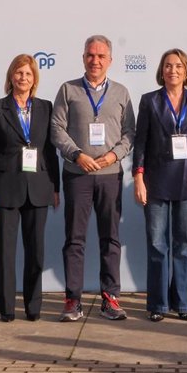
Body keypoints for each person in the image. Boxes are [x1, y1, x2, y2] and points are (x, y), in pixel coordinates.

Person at [51, 34, 135, 322]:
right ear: (83, 57)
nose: (95, 60)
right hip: (78, 175)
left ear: (110, 60)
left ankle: (111, 299)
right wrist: (77, 155)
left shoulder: (122, 92)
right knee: (75, 240)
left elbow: (129, 133)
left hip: (110, 175)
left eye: (101, 56)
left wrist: (114, 156)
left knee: (110, 238)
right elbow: (57, 129)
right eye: (90, 55)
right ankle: (72, 300)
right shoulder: (68, 90)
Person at [133, 48, 187, 322]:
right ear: (161, 70)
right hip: (156, 180)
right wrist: (138, 177)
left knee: (185, 244)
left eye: (178, 66)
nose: (173, 70)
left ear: (186, 70)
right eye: (168, 65)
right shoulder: (149, 101)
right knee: (157, 244)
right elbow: (140, 142)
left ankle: (184, 302)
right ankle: (158, 304)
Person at [0, 54, 60, 322]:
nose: (23, 78)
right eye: (18, 73)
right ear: (10, 76)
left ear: (34, 78)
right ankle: (6, 308)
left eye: (28, 73)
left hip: (38, 187)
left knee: (35, 251)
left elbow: (50, 151)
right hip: (5, 187)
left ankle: (33, 306)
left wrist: (55, 188)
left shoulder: (46, 107)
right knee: (5, 252)